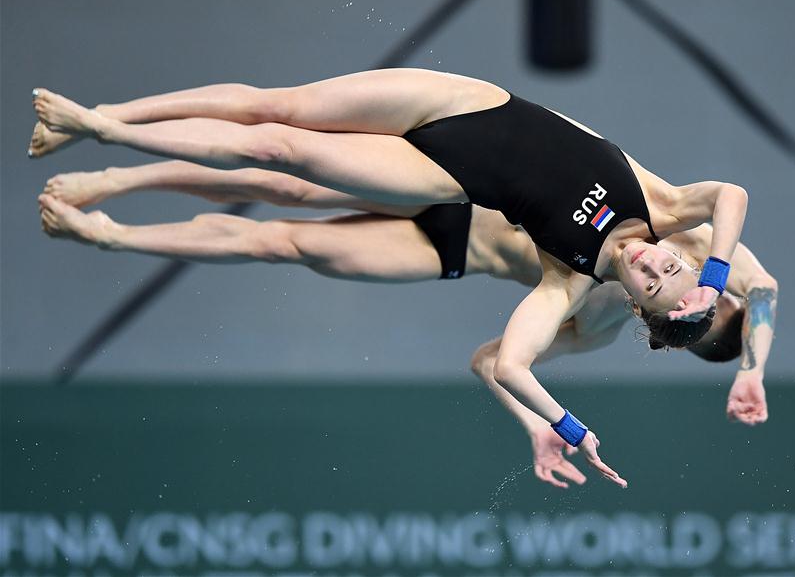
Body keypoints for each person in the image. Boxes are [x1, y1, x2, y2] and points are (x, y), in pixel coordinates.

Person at [31, 68, 750, 487]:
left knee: (282, 186)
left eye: (662, 287)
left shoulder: (575, 291)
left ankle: (107, 203)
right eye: (682, 272)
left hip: (444, 199)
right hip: (464, 104)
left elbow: (505, 361)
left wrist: (554, 423)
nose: (661, 267)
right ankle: (106, 130)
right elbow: (736, 210)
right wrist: (729, 301)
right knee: (276, 112)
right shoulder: (667, 209)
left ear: (645, 312)